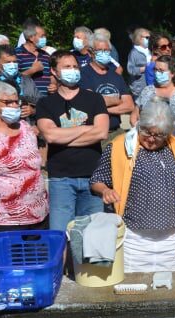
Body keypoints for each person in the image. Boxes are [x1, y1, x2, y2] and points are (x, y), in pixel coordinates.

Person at [90, 98, 175, 272]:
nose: (151, 139)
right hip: (133, 240)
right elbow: (96, 180)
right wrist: (105, 190)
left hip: (171, 240)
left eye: (158, 135)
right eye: (146, 132)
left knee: (168, 291)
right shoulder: (119, 146)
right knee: (134, 291)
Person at [36, 50, 108, 231]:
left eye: (75, 66)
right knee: (60, 234)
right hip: (61, 178)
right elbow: (50, 136)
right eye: (67, 67)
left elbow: (101, 133)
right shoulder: (45, 103)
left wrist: (62, 136)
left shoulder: (94, 99)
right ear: (54, 71)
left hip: (93, 177)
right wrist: (86, 128)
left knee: (92, 237)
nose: (73, 70)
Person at [0, 80, 48, 232]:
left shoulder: (26, 128)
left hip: (38, 215)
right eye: (7, 102)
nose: (14, 106)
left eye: (15, 101)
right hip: (5, 220)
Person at [79, 32, 133, 144]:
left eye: (107, 50)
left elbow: (129, 105)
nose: (104, 53)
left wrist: (102, 109)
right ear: (90, 52)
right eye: (100, 50)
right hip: (93, 134)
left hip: (116, 132)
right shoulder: (83, 74)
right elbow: (90, 102)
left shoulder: (116, 76)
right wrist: (116, 101)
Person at [132, 55, 175, 140]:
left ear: (172, 73)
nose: (157, 73)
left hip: (174, 140)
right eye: (156, 70)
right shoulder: (147, 91)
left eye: (161, 71)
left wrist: (164, 136)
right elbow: (134, 116)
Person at [0, 45, 40, 122]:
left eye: (15, 61)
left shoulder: (27, 81)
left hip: (26, 127)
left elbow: (42, 104)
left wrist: (33, 110)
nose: (12, 65)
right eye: (8, 62)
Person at [15, 22, 51, 96]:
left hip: (46, 102)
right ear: (31, 37)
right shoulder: (16, 54)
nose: (45, 39)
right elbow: (12, 79)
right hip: (27, 102)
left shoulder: (46, 55)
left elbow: (52, 75)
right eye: (42, 36)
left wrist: (54, 84)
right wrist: (33, 70)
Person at [126, 27, 151, 99]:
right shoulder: (134, 53)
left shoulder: (150, 51)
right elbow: (130, 70)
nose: (149, 39)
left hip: (150, 86)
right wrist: (142, 69)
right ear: (139, 38)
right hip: (139, 88)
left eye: (149, 37)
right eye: (147, 37)